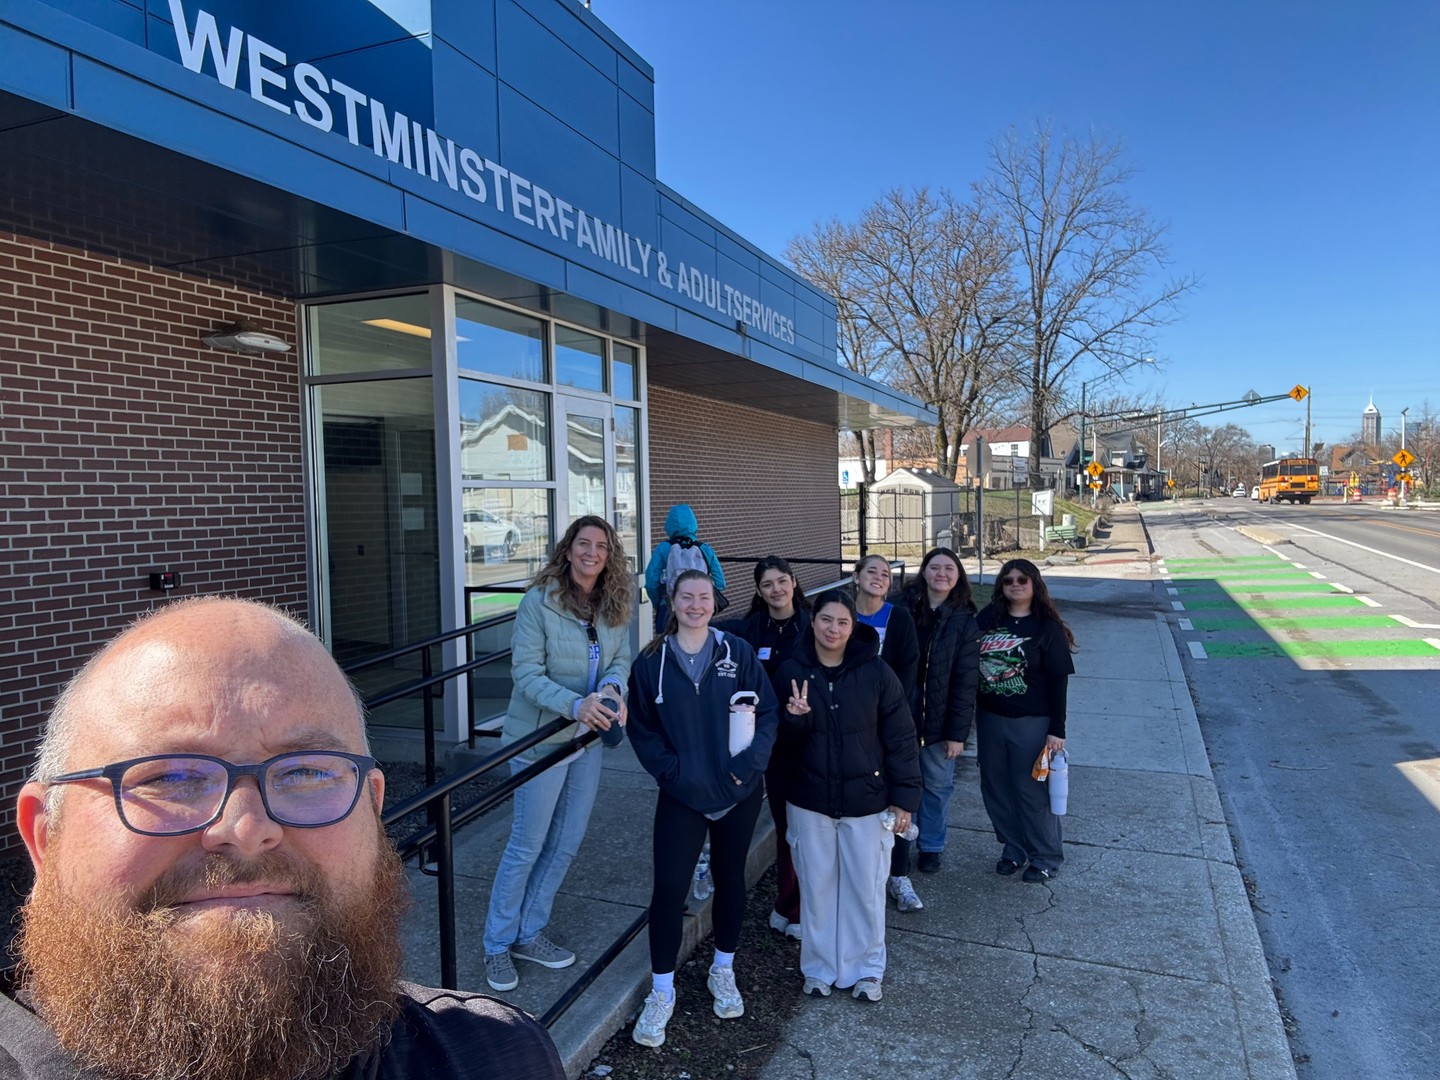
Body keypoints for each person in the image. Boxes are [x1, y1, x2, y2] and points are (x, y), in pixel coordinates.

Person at [4, 597, 563, 1079]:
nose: (246, 830)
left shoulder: (498, 1057)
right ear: (44, 836)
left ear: (372, 811)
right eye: (169, 777)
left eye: (306, 771)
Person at [625, 570, 778, 1048]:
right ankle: (663, 990)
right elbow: (642, 728)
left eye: (704, 597)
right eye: (686, 596)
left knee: (731, 878)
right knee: (669, 889)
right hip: (683, 794)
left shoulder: (738, 652)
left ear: (715, 602)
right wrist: (672, 773)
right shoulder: (651, 662)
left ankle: (723, 969)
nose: (695, 604)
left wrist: (748, 768)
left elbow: (768, 712)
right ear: (671, 601)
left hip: (737, 790)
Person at [483, 515, 634, 993]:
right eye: (583, 544)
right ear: (568, 550)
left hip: (585, 741)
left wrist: (611, 690)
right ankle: (496, 944)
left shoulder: (611, 603)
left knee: (565, 843)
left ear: (610, 556)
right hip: (539, 742)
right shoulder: (538, 602)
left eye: (602, 547)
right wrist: (574, 704)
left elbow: (619, 660)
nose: (592, 553)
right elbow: (525, 673)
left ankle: (530, 931)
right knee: (526, 847)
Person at [775, 589, 920, 1002]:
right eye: (825, 620)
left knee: (865, 888)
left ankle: (867, 970)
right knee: (817, 888)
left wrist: (904, 797)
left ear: (853, 626)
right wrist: (794, 720)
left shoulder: (875, 672)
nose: (833, 629)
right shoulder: (791, 670)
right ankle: (820, 969)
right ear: (813, 622)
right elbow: (779, 744)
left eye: (842, 621)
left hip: (867, 801)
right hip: (810, 800)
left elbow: (901, 738)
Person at [714, 555, 812, 940]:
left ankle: (799, 907)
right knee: (764, 825)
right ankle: (782, 904)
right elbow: (703, 630)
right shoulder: (748, 631)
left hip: (799, 741)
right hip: (756, 744)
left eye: (782, 581)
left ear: (793, 582)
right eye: (767, 584)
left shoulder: (812, 624)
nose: (776, 589)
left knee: (797, 828)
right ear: (758, 590)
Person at [976, 558, 1077, 883]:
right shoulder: (988, 619)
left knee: (1030, 792)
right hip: (990, 719)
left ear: (1034, 584)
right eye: (1008, 580)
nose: (1015, 585)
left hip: (1032, 723)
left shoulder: (1046, 628)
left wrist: (1056, 731)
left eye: (1022, 579)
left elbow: (1059, 680)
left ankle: (1046, 855)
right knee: (996, 788)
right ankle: (1014, 847)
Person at [901, 546, 980, 874]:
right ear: (924, 572)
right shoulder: (901, 608)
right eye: (935, 568)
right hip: (900, 718)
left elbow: (966, 683)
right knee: (902, 787)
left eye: (949, 568)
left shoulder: (964, 621)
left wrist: (956, 734)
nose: (942, 574)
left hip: (938, 721)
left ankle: (931, 845)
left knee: (936, 786)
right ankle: (901, 846)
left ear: (958, 575)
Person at [850, 555, 923, 912]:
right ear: (856, 577)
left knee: (898, 798)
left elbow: (909, 668)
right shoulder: (841, 614)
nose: (879, 578)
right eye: (871, 571)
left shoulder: (899, 618)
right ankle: (865, 878)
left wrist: (889, 710)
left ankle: (900, 875)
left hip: (888, 719)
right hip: (849, 724)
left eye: (885, 574)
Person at [643, 503, 726, 633]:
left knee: (665, 649)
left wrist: (659, 604)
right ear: (693, 523)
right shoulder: (704, 549)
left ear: (669, 525)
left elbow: (651, 583)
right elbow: (720, 583)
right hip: (697, 611)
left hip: (668, 609)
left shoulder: (663, 548)